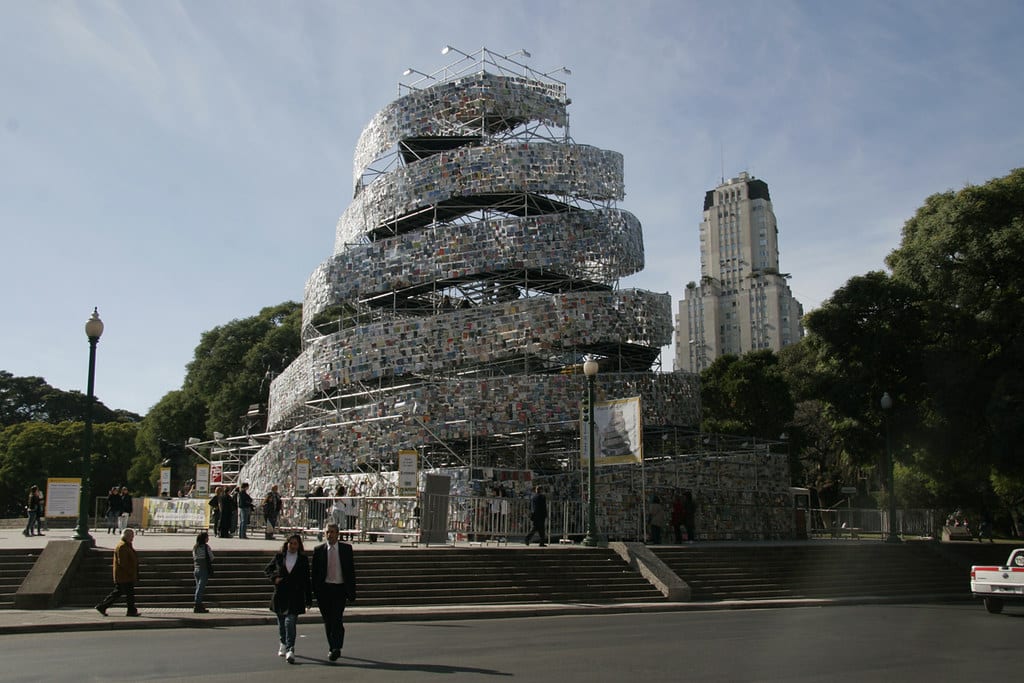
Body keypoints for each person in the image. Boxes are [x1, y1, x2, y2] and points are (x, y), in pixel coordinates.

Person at [311, 522, 357, 662]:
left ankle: (336, 647)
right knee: (328, 621)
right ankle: (332, 647)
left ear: (338, 534)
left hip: (340, 588)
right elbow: (315, 573)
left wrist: (352, 591)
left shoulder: (346, 549)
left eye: (332, 532)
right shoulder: (319, 550)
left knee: (337, 618)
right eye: (327, 532)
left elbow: (350, 571)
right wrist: (315, 591)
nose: (329, 535)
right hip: (325, 590)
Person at [264, 533, 312, 664]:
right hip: (281, 594)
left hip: (295, 595)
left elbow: (307, 580)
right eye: (290, 543)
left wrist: (308, 599)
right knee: (281, 622)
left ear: (299, 545)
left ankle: (291, 648)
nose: (292, 546)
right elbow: (268, 569)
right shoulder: (280, 557)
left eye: (295, 543)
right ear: (287, 544)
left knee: (290, 621)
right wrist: (274, 578)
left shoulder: (302, 559)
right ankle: (283, 642)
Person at [95, 528, 141, 617]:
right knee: (120, 593)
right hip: (124, 575)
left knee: (127, 593)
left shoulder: (126, 545)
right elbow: (122, 562)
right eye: (131, 536)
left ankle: (131, 610)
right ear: (126, 536)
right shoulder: (122, 546)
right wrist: (131, 572)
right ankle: (102, 606)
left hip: (126, 575)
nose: (133, 538)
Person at [192, 531, 214, 612]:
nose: (208, 539)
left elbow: (194, 557)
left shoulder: (195, 547)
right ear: (204, 539)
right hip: (204, 569)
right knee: (201, 588)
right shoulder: (206, 547)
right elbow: (212, 557)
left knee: (198, 587)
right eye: (207, 537)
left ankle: (198, 604)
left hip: (196, 569)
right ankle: (197, 605)